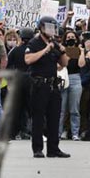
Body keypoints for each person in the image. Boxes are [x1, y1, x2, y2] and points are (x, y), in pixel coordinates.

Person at [25, 16, 71, 158]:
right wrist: (45, 49)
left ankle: (53, 148)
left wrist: (62, 51)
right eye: (48, 27)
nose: (51, 30)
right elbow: (28, 59)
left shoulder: (54, 43)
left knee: (54, 117)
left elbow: (64, 63)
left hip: (53, 84)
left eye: (53, 28)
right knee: (38, 118)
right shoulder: (34, 42)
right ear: (41, 28)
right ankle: (37, 148)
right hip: (39, 84)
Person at [7, 27, 34, 139]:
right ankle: (32, 130)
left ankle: (14, 132)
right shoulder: (34, 50)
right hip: (32, 80)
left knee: (18, 107)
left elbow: (8, 65)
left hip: (18, 80)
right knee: (32, 107)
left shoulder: (16, 50)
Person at [60, 29, 86, 141]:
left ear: (76, 39)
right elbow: (59, 65)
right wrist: (66, 55)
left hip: (75, 78)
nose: (70, 39)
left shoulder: (79, 50)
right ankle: (59, 132)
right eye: (68, 37)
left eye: (72, 37)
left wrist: (81, 52)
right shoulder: (62, 50)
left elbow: (81, 64)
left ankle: (75, 133)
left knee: (74, 109)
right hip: (63, 77)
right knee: (61, 109)